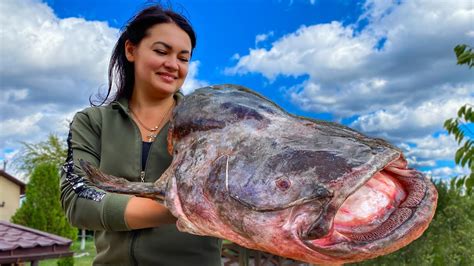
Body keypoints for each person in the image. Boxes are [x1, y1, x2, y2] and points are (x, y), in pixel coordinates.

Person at [60, 4, 222, 266]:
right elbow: (78, 198)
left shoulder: (210, 126)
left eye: (183, 58)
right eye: (161, 51)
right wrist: (187, 209)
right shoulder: (92, 122)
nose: (172, 64)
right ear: (131, 50)